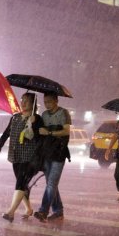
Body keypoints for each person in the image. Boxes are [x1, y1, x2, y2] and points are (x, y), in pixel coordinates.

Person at [0, 92, 44, 222]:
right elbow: (7, 132)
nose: (23, 102)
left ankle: (11, 212)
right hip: (15, 155)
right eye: (22, 99)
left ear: (33, 104)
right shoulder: (15, 117)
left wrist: (33, 124)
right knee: (21, 183)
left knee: (20, 183)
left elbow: (40, 138)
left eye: (27, 100)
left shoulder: (37, 119)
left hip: (30, 157)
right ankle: (29, 209)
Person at [34, 92, 71, 222]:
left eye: (49, 101)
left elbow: (66, 131)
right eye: (45, 102)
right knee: (51, 184)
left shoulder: (63, 113)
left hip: (59, 153)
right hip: (47, 153)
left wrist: (49, 132)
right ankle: (58, 211)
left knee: (51, 184)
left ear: (56, 100)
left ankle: (43, 211)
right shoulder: (44, 115)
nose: (47, 104)